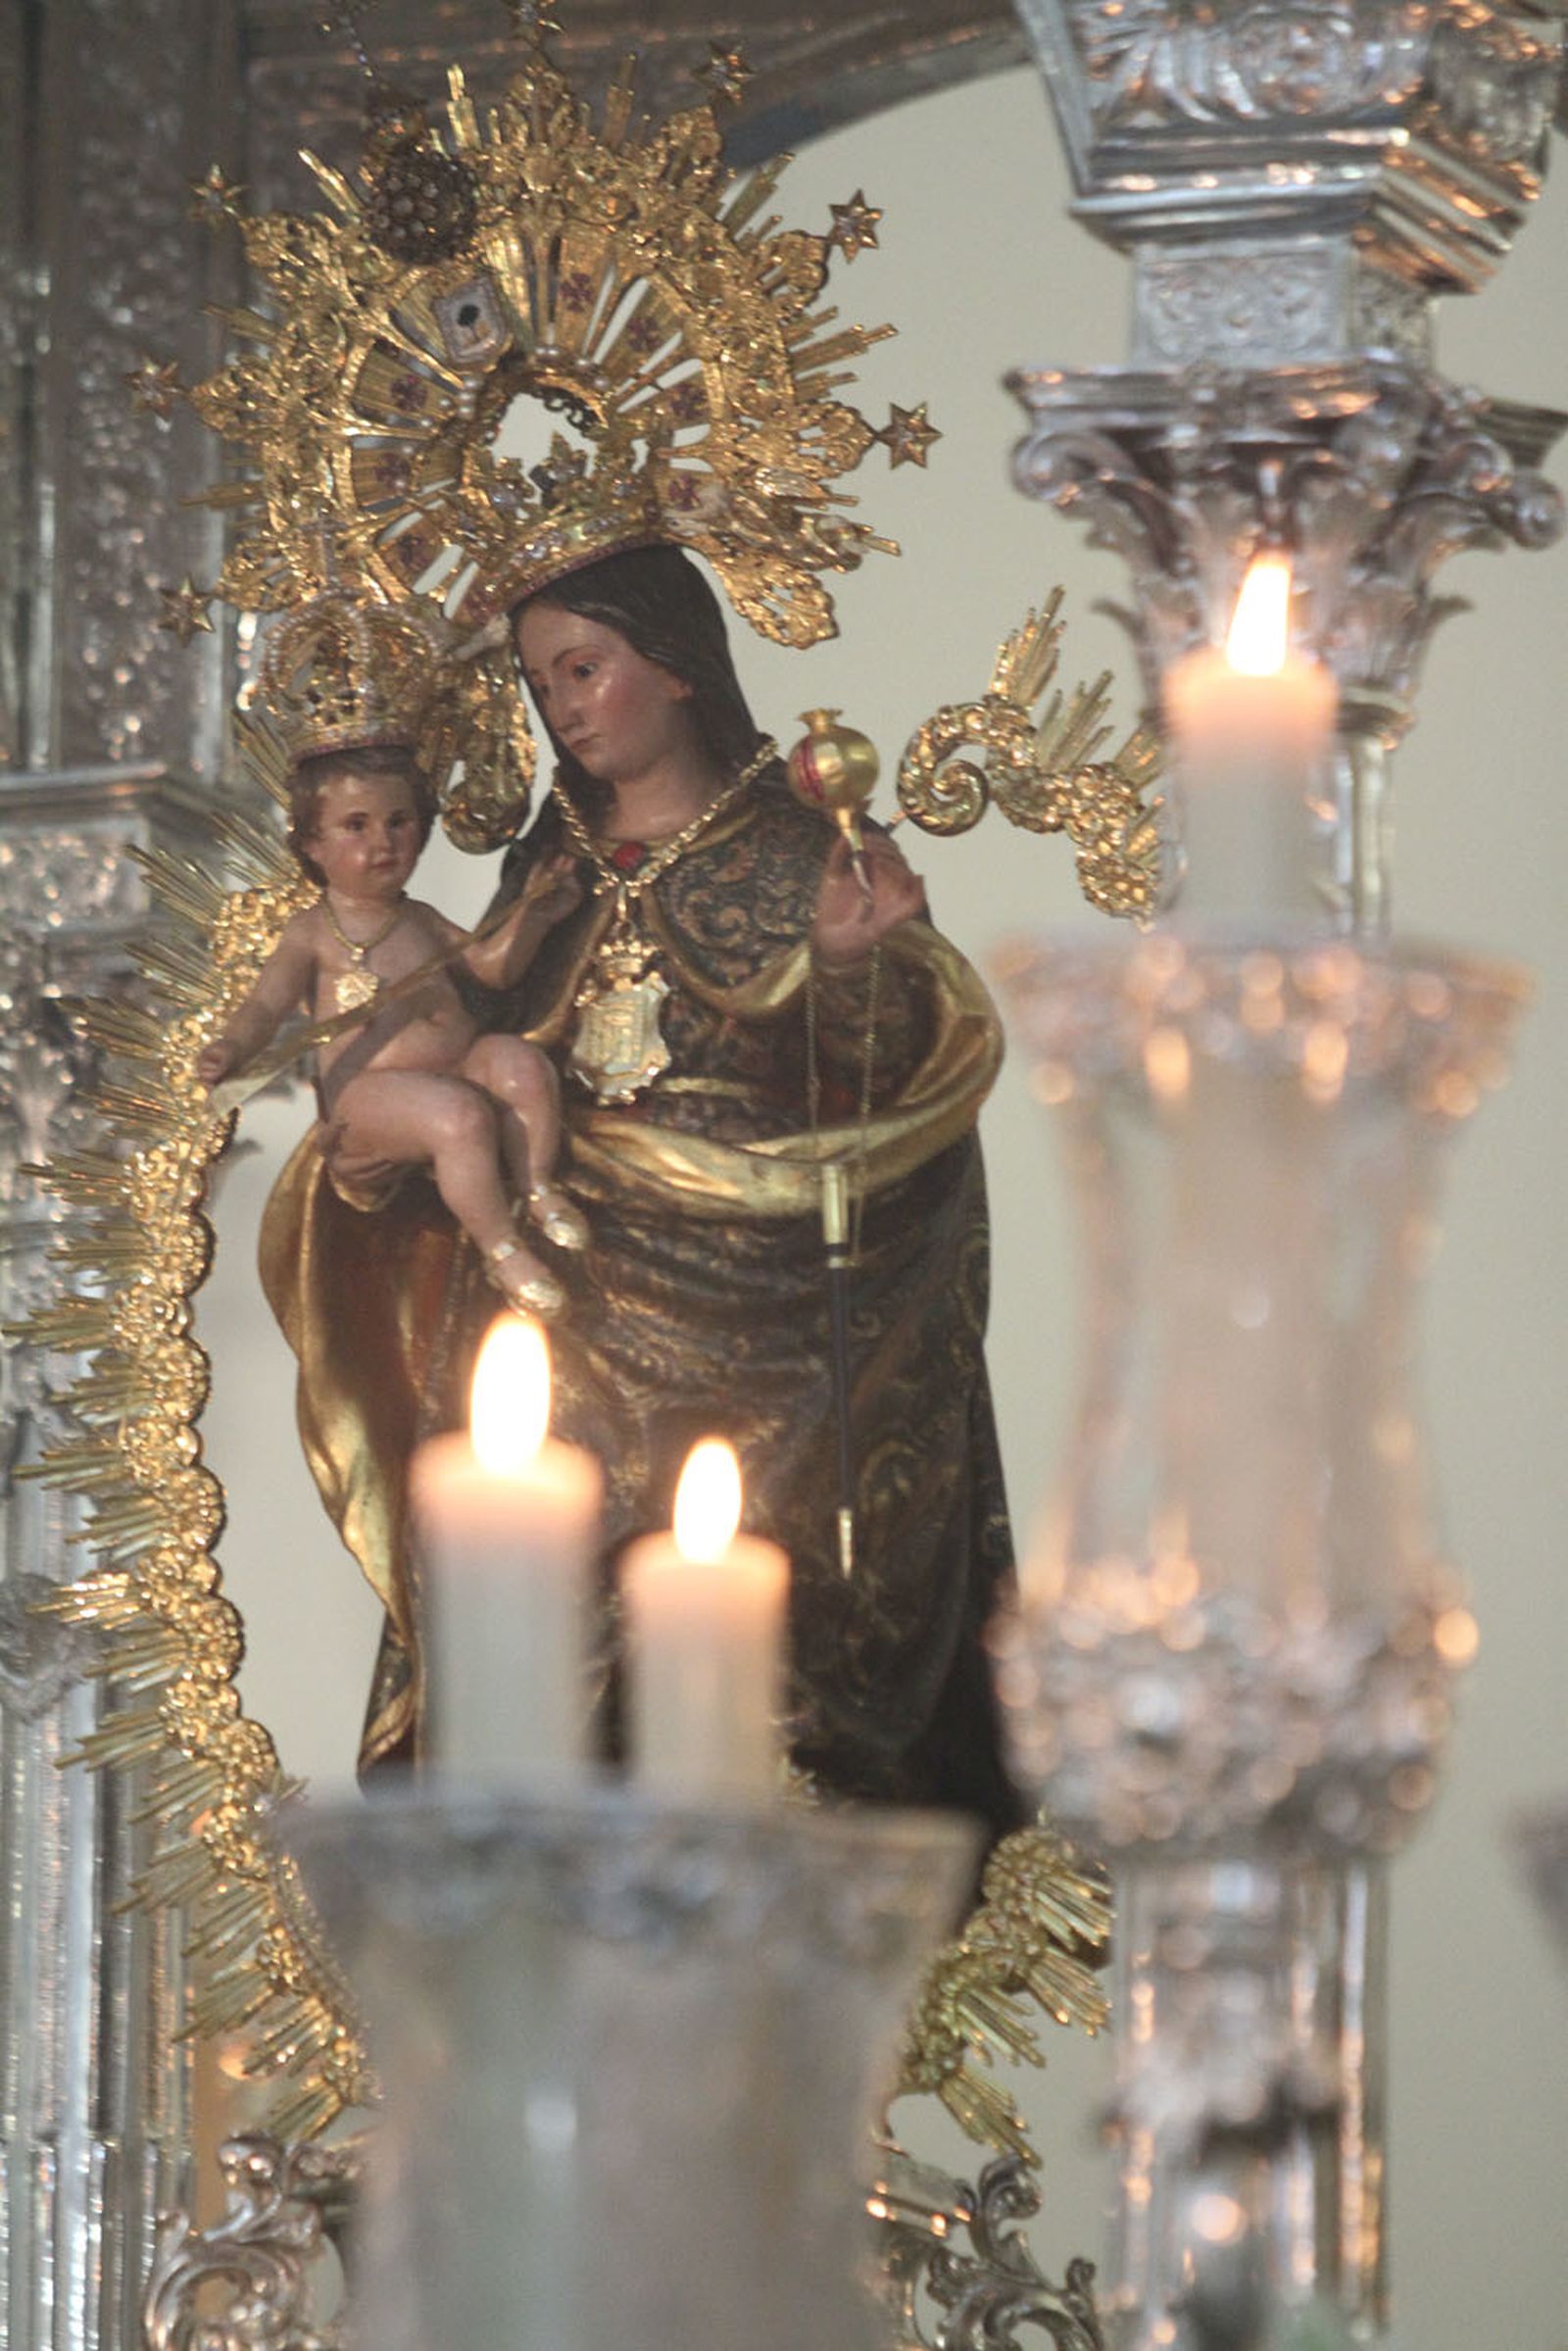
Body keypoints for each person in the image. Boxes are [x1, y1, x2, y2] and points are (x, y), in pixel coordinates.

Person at [265, 546, 1027, 1837]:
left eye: (585, 669)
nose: (563, 707)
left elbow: (891, 1087)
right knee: (543, 1612)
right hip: (559, 1297)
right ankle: (535, 1864)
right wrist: (377, 1150)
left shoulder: (803, 845)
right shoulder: (545, 870)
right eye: (541, 683)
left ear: (676, 666)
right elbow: (460, 1050)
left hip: (762, 1318)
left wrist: (851, 971)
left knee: (753, 1621)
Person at [199, 743, 587, 1317]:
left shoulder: (419, 917)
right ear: (313, 844)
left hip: (459, 1063)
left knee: (521, 1065)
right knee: (459, 1116)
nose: (384, 842)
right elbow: (266, 1005)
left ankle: (537, 1188)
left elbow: (491, 968)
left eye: (399, 821)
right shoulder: (311, 933)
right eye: (356, 826)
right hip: (367, 1095)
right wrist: (231, 1046)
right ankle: (503, 1250)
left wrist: (535, 917)